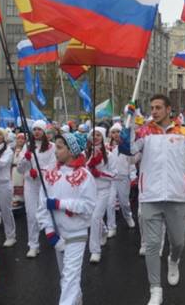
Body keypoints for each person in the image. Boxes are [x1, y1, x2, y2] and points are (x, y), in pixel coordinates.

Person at [119, 95, 185, 305]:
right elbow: (129, 153)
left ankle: (173, 260)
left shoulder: (183, 134)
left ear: (168, 109)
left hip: (176, 198)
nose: (154, 111)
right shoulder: (144, 132)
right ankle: (155, 289)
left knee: (178, 243)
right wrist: (128, 123)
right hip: (150, 197)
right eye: (152, 107)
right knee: (152, 245)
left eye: (158, 107)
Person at [37, 133, 96, 305]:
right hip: (57, 233)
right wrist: (49, 231)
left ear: (72, 151)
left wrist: (60, 204)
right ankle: (76, 300)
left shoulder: (85, 176)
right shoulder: (50, 173)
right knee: (66, 276)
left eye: (60, 146)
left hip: (77, 232)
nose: (56, 150)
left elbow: (88, 206)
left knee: (70, 276)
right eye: (56, 145)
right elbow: (42, 205)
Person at [17, 120, 56, 258]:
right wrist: (26, 159)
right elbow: (20, 169)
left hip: (45, 185)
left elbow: (53, 167)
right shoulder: (27, 147)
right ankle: (33, 245)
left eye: (39, 129)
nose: (37, 132)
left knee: (48, 213)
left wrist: (40, 173)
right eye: (34, 130)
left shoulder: (52, 147)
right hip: (30, 185)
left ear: (44, 131)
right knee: (31, 214)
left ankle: (55, 235)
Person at [85, 127, 116, 263]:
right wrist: (88, 167)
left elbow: (115, 174)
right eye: (93, 135)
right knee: (94, 218)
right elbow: (79, 170)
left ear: (103, 137)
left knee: (95, 218)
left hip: (104, 190)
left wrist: (100, 174)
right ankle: (103, 231)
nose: (95, 137)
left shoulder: (109, 155)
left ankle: (95, 251)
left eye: (98, 135)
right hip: (89, 191)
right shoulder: (84, 153)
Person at [106, 122, 138, 238]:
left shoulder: (126, 146)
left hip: (124, 178)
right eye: (113, 132)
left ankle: (128, 216)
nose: (115, 134)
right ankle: (111, 227)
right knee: (110, 203)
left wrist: (133, 175)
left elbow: (132, 163)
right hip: (111, 179)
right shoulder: (107, 147)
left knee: (124, 203)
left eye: (118, 132)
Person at [11, 133, 26, 207]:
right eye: (18, 138)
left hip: (22, 169)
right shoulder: (12, 149)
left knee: (21, 182)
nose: (20, 140)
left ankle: (21, 199)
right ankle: (15, 199)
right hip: (13, 169)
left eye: (22, 138)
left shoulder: (25, 149)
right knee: (14, 182)